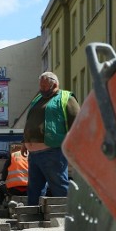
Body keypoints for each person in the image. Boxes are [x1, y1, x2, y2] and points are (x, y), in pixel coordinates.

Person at [21, 71, 80, 206]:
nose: (42, 89)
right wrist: (25, 142)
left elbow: (78, 123)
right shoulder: (38, 99)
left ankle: (67, 217)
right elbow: (31, 122)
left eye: (45, 86)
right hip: (34, 153)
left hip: (53, 151)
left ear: (54, 84)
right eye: (41, 86)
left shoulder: (66, 98)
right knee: (34, 189)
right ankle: (33, 217)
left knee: (59, 186)